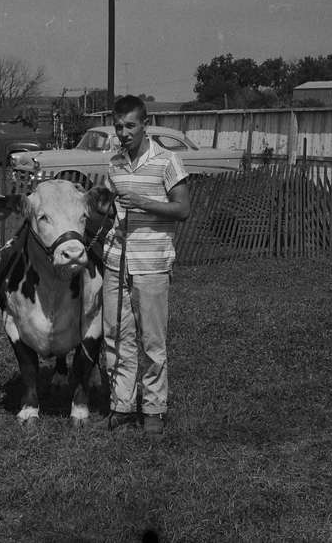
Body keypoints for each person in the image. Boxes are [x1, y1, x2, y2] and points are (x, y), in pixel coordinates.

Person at [102, 95, 190, 436]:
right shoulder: (114, 163)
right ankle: (121, 406)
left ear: (145, 124)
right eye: (118, 126)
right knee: (116, 336)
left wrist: (142, 202)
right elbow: (113, 209)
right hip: (115, 262)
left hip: (151, 264)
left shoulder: (168, 161)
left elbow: (182, 210)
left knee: (152, 340)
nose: (123, 133)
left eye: (130, 126)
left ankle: (154, 410)